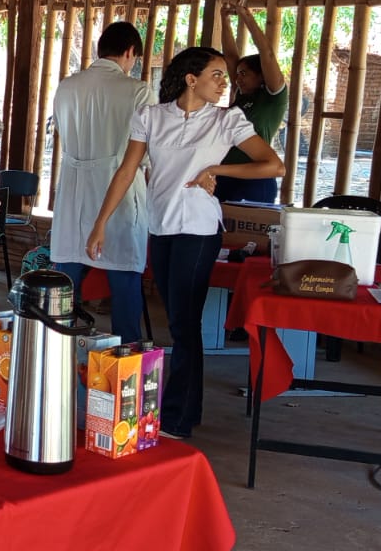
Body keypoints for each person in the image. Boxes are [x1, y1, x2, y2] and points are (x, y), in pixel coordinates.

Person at [87, 46, 283, 439]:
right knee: (176, 320)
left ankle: (178, 418)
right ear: (191, 79)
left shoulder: (227, 120)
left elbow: (273, 165)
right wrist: (100, 222)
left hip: (199, 229)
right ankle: (183, 411)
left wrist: (216, 169)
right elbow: (127, 170)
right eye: (216, 75)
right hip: (160, 228)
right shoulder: (151, 117)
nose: (224, 83)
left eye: (225, 76)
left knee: (183, 322)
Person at [49, 21, 155, 343]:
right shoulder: (138, 90)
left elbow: (61, 131)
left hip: (73, 194)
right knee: (124, 283)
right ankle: (127, 356)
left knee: (64, 288)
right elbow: (146, 151)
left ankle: (57, 350)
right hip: (118, 193)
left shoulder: (67, 86)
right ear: (130, 52)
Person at [215, 0, 288, 203]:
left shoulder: (273, 97)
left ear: (261, 76)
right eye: (237, 74)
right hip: (226, 173)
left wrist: (245, 15)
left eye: (244, 74)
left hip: (256, 178)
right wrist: (225, 19)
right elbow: (230, 56)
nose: (237, 79)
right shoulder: (241, 94)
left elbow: (267, 53)